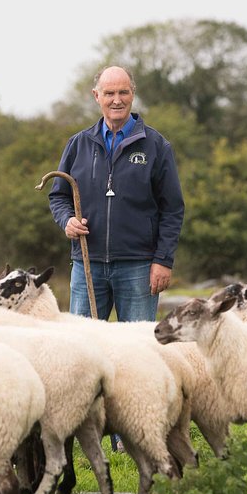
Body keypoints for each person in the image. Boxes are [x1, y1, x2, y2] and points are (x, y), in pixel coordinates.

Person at [49, 66, 184, 451]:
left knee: (138, 352)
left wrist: (163, 260)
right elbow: (57, 195)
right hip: (87, 265)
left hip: (139, 265)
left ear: (133, 95)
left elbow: (172, 209)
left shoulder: (156, 145)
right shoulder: (78, 144)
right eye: (109, 93)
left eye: (123, 92)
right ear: (96, 96)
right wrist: (67, 222)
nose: (117, 100)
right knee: (80, 349)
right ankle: (81, 428)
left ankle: (133, 434)